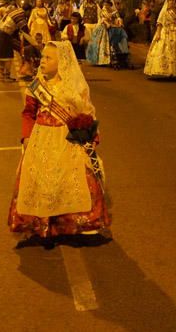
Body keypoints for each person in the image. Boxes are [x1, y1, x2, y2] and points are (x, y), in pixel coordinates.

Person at [9, 41, 110, 244]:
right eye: (43, 57)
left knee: (72, 182)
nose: (42, 61)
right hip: (40, 141)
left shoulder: (75, 88)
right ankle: (40, 223)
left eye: (48, 58)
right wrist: (26, 137)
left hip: (67, 142)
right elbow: (28, 113)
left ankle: (75, 223)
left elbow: (87, 115)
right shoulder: (37, 85)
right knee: (39, 183)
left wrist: (91, 140)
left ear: (62, 62)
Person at [0, 4, 28, 82]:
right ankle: (7, 76)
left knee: (2, 56)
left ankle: (2, 75)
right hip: (5, 34)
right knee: (8, 57)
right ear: (27, 11)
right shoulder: (21, 15)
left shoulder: (16, 11)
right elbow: (25, 30)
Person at [86, 0, 123, 66]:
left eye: (107, 5)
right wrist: (112, 16)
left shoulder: (112, 11)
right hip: (102, 28)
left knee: (108, 42)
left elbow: (117, 18)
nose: (106, 6)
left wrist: (118, 21)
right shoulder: (103, 11)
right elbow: (105, 18)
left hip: (110, 27)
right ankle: (101, 60)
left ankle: (109, 59)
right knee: (101, 43)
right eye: (105, 4)